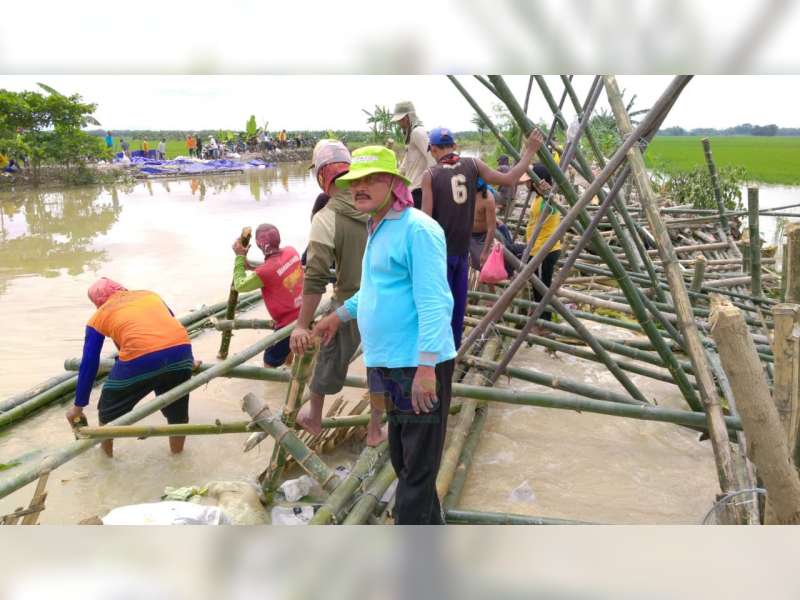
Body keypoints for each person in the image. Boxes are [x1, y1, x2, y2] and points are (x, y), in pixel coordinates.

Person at [312, 145, 456, 525]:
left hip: (416, 365)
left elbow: (435, 302)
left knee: (416, 472)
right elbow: (375, 290)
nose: (360, 187)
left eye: (372, 179)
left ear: (395, 183)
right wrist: (338, 316)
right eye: (355, 181)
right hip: (388, 363)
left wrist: (427, 368)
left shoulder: (418, 230)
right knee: (405, 459)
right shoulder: (376, 226)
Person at [289, 140, 384, 445]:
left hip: (351, 303)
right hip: (387, 299)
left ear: (321, 177)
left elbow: (315, 277)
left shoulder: (326, 217)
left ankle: (314, 418)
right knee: (380, 363)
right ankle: (374, 430)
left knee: (327, 355)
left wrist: (302, 324)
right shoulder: (379, 204)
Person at [421, 126, 544, 348]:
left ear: (432, 150)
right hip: (461, 253)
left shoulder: (430, 175)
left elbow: (425, 222)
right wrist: (530, 151)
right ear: (455, 146)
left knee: (438, 310)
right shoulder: (473, 165)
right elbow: (510, 178)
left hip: (440, 255)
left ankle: (434, 359)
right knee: (458, 309)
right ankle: (452, 354)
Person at [66, 278, 195, 457]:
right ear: (122, 289)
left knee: (107, 409)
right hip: (181, 353)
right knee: (177, 414)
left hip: (143, 359)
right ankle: (178, 457)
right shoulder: (150, 295)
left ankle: (106, 460)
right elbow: (172, 326)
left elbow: (89, 362)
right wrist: (190, 360)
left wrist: (78, 407)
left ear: (97, 303)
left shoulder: (99, 316)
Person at [231, 224, 304, 367]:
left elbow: (240, 284)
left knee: (269, 360)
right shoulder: (291, 251)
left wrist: (239, 258)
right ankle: (289, 368)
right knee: (288, 351)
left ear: (259, 245)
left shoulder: (265, 272)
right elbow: (274, 270)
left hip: (288, 324)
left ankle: (275, 387)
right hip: (305, 313)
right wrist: (250, 266)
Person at [520, 162, 563, 330]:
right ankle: (539, 318)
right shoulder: (538, 198)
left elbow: (552, 205)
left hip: (545, 250)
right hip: (536, 248)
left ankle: (545, 322)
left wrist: (548, 192)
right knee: (538, 286)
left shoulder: (547, 198)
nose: (525, 184)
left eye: (528, 180)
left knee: (542, 288)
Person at [390, 100, 435, 210]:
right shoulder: (411, 133)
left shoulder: (418, 132)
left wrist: (430, 183)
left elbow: (432, 158)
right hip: (412, 188)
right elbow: (407, 160)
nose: (399, 123)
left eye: (400, 120)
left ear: (407, 118)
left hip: (419, 188)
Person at [469, 177, 497, 272]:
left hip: (482, 237)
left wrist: (485, 251)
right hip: (466, 235)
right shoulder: (464, 194)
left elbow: (491, 228)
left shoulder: (488, 199)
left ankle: (490, 286)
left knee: (485, 267)